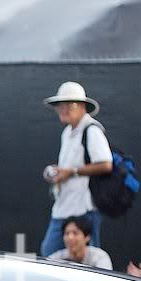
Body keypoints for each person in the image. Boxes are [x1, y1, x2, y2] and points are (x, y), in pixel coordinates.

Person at [40, 82, 113, 257]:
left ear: (82, 106)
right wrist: (58, 172)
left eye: (69, 105)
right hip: (65, 206)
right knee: (51, 254)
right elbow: (69, 167)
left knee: (86, 260)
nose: (63, 110)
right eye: (60, 106)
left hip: (83, 209)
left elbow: (106, 164)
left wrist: (71, 172)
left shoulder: (92, 130)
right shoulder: (67, 133)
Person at [47, 216, 112, 269]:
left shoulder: (99, 257)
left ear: (87, 237)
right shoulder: (57, 258)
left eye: (75, 233)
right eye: (67, 233)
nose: (70, 237)